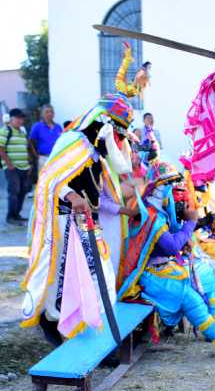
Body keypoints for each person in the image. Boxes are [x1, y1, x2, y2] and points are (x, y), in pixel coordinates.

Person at [20, 90, 138, 343]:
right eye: (116, 132)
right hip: (64, 222)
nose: (118, 139)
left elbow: (124, 167)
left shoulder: (95, 151)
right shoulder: (73, 141)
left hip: (87, 223)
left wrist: (110, 141)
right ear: (104, 124)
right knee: (63, 280)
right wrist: (72, 196)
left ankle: (95, 334)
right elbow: (49, 179)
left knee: (99, 277)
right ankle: (58, 326)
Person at [117, 160, 215, 356]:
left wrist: (189, 227)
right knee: (189, 298)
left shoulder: (159, 211)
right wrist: (190, 223)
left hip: (166, 269)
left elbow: (175, 240)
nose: (173, 189)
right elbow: (171, 246)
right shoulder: (150, 215)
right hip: (149, 276)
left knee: (207, 275)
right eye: (169, 184)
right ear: (157, 187)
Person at [0, 108, 33, 225]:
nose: (21, 120)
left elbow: (26, 149)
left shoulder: (22, 132)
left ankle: (17, 215)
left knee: (23, 191)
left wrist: (28, 165)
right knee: (14, 191)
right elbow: (1, 148)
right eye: (18, 118)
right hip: (12, 168)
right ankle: (11, 217)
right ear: (11, 119)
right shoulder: (5, 130)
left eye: (22, 118)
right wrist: (9, 164)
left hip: (24, 167)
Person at [29, 104, 63, 172]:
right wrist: (36, 155)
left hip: (57, 158)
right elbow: (30, 142)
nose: (50, 113)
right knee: (45, 181)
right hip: (43, 158)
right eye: (47, 112)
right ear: (42, 114)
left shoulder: (58, 127)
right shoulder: (37, 126)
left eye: (51, 112)